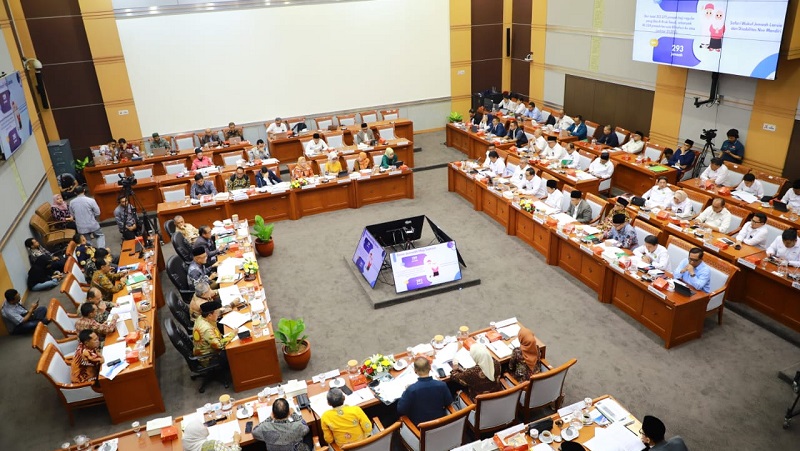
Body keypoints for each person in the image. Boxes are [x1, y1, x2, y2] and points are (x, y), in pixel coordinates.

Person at [397, 357, 453, 426]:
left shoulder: (411, 390)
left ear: (415, 370)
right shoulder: (442, 385)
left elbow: (401, 410)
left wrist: (405, 392)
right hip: (440, 423)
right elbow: (449, 401)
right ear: (430, 367)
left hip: (419, 427)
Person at [193, 300, 235, 366]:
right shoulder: (207, 329)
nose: (218, 315)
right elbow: (219, 345)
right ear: (209, 315)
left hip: (211, 345)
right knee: (235, 350)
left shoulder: (201, 317)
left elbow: (216, 312)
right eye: (217, 313)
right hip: (209, 358)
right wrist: (233, 334)